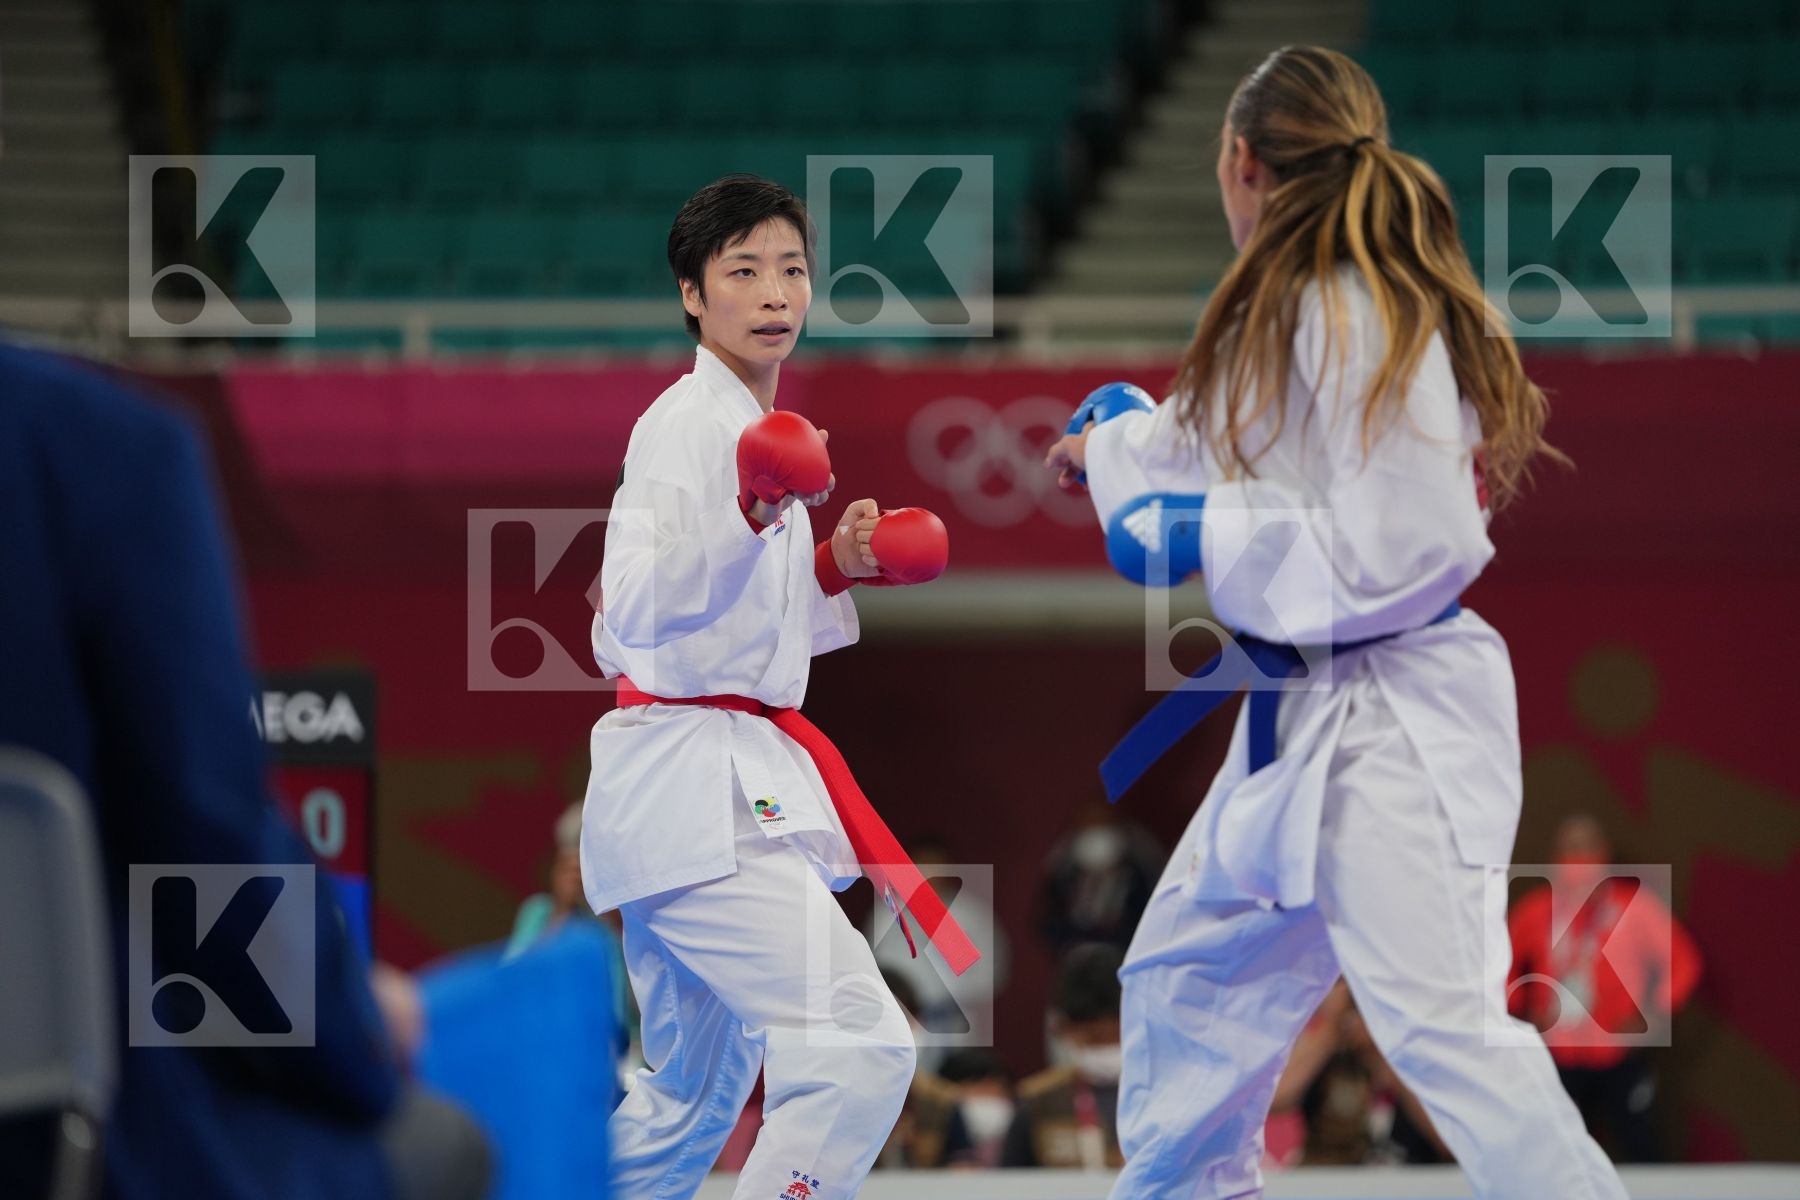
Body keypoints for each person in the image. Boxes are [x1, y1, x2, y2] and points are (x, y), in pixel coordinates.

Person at [1041, 46, 1629, 1200]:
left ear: (1240, 162)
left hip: (1398, 715)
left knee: (1439, 1029)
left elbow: (1406, 545)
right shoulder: (1283, 303)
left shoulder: (1363, 307)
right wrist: (1108, 443)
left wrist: (1205, 531)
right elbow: (1207, 443)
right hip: (1301, 712)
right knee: (1185, 971)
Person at [0, 337, 490, 1200]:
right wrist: (355, 1039)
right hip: (62, 1149)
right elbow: (205, 857)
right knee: (440, 1144)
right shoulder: (97, 452)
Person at [585, 173, 971, 1200]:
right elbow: (631, 611)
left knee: (691, 1104)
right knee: (855, 1040)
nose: (774, 292)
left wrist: (834, 564)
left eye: (792, 269)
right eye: (743, 270)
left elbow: (748, 627)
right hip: (691, 791)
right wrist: (753, 516)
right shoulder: (688, 427)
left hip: (712, 781)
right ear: (691, 294)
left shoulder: (759, 427)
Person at [1509, 812, 1703, 1161]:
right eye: (1569, 848)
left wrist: (1656, 1014)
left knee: (1644, 1152)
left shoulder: (1635, 908)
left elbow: (1683, 961)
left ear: (1605, 852)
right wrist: (1519, 1017)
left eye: (1586, 848)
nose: (1578, 859)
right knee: (1551, 1158)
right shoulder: (1536, 910)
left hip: (1617, 1054)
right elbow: (1500, 967)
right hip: (1557, 1057)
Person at [1001, 944, 1126, 1170]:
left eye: (1116, 1035)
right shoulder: (1038, 1102)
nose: (1106, 1047)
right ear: (1062, 1029)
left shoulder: (1166, 1094)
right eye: (1093, 1038)